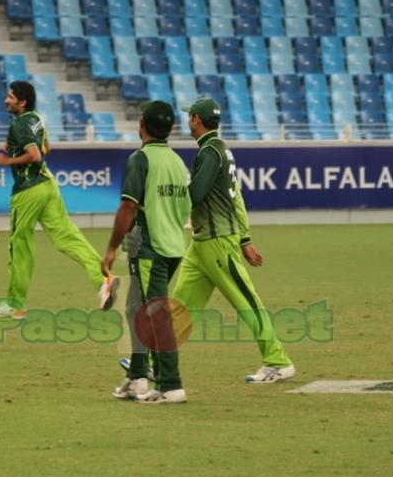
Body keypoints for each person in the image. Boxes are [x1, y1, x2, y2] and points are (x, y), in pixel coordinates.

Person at [172, 97, 296, 383]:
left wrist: (164, 207)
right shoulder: (220, 150)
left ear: (196, 120)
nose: (187, 121)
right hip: (203, 241)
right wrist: (246, 239)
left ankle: (278, 361)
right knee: (180, 306)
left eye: (189, 117)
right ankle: (158, 361)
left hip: (217, 241)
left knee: (247, 301)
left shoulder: (210, 152)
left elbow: (196, 194)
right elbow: (235, 196)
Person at [0, 80, 119, 319]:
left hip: (28, 191)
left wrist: (8, 160)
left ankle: (16, 304)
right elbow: (47, 147)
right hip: (48, 186)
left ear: (22, 101)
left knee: (20, 245)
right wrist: (16, 148)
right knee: (67, 236)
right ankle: (103, 280)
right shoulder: (36, 119)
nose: (6, 100)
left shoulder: (19, 125)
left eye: (10, 97)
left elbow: (36, 155)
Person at [102, 101, 191, 403]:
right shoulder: (178, 162)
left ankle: (170, 384)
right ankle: (137, 375)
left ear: (142, 124)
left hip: (150, 247)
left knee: (155, 314)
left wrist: (112, 248)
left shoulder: (140, 159)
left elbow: (128, 206)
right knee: (134, 308)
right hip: (174, 245)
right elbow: (184, 209)